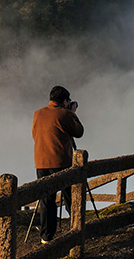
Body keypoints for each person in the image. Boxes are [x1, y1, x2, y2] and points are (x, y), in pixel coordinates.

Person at [32, 85, 84, 244]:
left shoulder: (37, 114)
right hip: (61, 161)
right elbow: (79, 132)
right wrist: (72, 113)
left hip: (41, 161)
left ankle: (46, 236)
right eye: (68, 101)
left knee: (47, 199)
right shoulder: (65, 114)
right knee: (70, 196)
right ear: (64, 101)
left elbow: (35, 135)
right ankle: (75, 228)